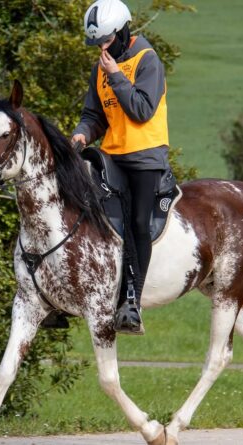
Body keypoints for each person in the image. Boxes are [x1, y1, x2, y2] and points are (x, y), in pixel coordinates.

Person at [71, 0, 171, 335]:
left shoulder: (147, 60)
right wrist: (82, 134)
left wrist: (115, 76)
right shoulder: (100, 67)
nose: (102, 48)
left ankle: (132, 303)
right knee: (83, 210)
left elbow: (141, 110)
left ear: (124, 31)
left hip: (145, 157)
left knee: (138, 221)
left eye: (107, 41)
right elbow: (94, 115)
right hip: (111, 154)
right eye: (97, 43)